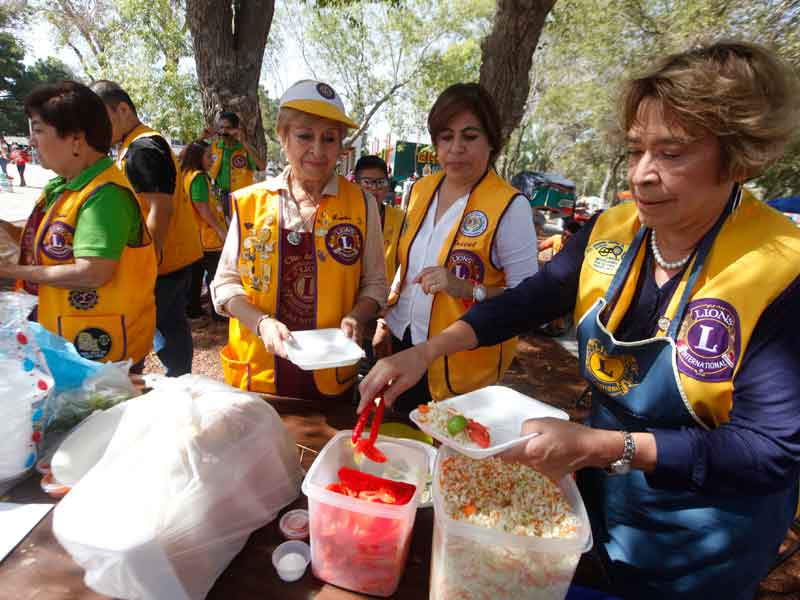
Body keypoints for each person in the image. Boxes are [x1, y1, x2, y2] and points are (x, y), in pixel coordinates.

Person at [360, 41, 800, 599]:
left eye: (672, 154)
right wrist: (425, 350)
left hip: (704, 536)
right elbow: (528, 300)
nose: (642, 175)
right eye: (637, 149)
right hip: (607, 497)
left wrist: (602, 447)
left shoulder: (782, 267)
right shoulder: (612, 231)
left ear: (739, 158)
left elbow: (770, 451)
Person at [210, 79, 387, 399]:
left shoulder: (363, 205)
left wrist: (357, 316)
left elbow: (375, 283)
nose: (317, 150)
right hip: (259, 378)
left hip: (332, 379)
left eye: (329, 138)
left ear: (341, 145)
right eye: (305, 135)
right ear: (283, 137)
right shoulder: (251, 202)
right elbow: (225, 283)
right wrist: (261, 323)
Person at [370, 83, 539, 413]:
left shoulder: (510, 206)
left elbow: (529, 303)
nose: (456, 148)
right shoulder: (420, 189)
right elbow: (407, 269)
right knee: (402, 446)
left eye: (470, 136)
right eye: (446, 137)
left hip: (460, 366)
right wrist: (388, 319)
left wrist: (467, 288)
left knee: (445, 456)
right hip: (405, 347)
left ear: (491, 141)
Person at [0, 81, 156, 366]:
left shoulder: (105, 195)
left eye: (38, 130)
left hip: (100, 356)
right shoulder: (64, 187)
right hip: (65, 345)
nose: (31, 141)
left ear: (76, 140)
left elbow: (92, 272)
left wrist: (11, 271)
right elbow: (46, 241)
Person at [91, 80, 203, 377]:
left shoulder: (143, 147)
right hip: (172, 261)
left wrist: (145, 265)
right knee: (170, 326)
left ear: (124, 109)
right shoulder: (136, 145)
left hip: (161, 265)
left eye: (101, 119)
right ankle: (179, 382)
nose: (96, 129)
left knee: (142, 329)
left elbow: (159, 209)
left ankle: (154, 384)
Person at [180, 141, 228, 320]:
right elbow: (203, 208)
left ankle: (193, 309)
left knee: (195, 274)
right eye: (209, 156)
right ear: (197, 157)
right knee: (216, 274)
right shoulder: (198, 178)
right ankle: (219, 313)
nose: (212, 160)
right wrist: (221, 230)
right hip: (206, 237)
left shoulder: (186, 174)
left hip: (193, 235)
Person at [202, 111, 266, 220]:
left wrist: (244, 142)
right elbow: (188, 158)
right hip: (219, 199)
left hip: (241, 199)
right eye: (221, 127)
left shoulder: (244, 149)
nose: (223, 131)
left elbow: (262, 166)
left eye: (228, 128)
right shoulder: (214, 147)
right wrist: (201, 138)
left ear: (236, 129)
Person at [354, 155, 405, 280]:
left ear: (388, 185)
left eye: (380, 182)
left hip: (386, 295)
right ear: (355, 185)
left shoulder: (401, 219)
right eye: (367, 182)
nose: (374, 189)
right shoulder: (343, 218)